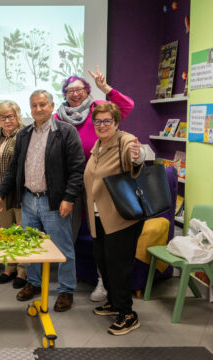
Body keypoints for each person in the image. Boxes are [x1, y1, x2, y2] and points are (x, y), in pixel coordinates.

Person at [0, 90, 85, 312]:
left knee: (63, 248)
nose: (38, 109)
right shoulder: (24, 134)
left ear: (52, 106)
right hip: (28, 201)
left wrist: (68, 198)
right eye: (34, 105)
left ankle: (66, 290)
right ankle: (33, 282)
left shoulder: (66, 132)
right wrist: (0, 193)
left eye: (43, 104)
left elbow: (77, 169)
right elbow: (15, 168)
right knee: (31, 247)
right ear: (30, 109)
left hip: (54, 202)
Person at [54, 66, 134, 302]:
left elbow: (127, 107)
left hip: (99, 181)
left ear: (87, 91)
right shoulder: (58, 116)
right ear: (65, 94)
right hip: (71, 183)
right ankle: (66, 282)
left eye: (80, 89)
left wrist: (106, 88)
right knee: (68, 232)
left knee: (101, 233)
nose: (75, 94)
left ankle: (103, 282)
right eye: (70, 90)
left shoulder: (98, 109)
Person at [84, 102, 145, 335]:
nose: (102, 125)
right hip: (99, 217)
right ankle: (114, 303)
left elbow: (137, 158)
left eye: (107, 121)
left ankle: (128, 314)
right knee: (104, 263)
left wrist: (138, 157)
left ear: (116, 122)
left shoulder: (125, 141)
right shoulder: (98, 146)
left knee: (119, 268)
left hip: (121, 218)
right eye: (97, 121)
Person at [0, 101, 27, 289]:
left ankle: (22, 270)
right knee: (4, 233)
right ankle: (9, 267)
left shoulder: (26, 134)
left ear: (18, 116)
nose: (7, 120)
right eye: (2, 117)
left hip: (19, 192)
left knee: (20, 233)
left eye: (10, 116)